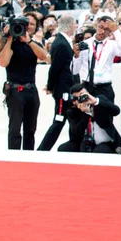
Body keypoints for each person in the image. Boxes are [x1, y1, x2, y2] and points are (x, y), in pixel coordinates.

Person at [0, 15, 48, 150]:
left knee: (30, 130)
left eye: (27, 26)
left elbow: (44, 57)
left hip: (31, 90)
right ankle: (14, 159)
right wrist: (9, 39)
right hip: (15, 91)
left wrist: (29, 41)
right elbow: (3, 62)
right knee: (15, 129)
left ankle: (28, 157)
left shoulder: (33, 44)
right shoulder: (10, 45)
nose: (20, 29)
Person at [37, 15, 76, 151]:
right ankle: (43, 149)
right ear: (71, 25)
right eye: (75, 24)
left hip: (67, 88)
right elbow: (55, 68)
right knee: (59, 120)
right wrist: (50, 86)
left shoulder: (63, 42)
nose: (76, 27)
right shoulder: (61, 43)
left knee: (69, 117)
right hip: (62, 89)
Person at [73, 15, 121, 102]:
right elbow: (74, 71)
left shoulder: (112, 45)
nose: (102, 31)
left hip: (105, 88)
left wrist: (116, 31)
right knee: (87, 115)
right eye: (100, 27)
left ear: (110, 32)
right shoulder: (85, 44)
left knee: (106, 114)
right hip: (87, 87)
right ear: (96, 25)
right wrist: (76, 56)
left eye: (106, 30)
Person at [57, 84, 121, 153]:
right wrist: (86, 113)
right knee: (64, 148)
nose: (83, 99)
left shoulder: (100, 100)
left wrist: (96, 102)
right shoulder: (73, 112)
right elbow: (76, 133)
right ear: (74, 101)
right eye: (78, 98)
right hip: (84, 142)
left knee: (99, 151)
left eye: (83, 95)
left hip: (105, 142)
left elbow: (116, 110)